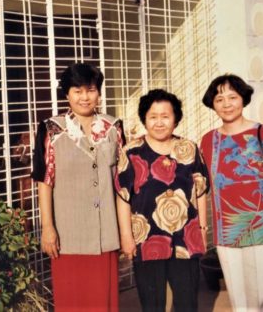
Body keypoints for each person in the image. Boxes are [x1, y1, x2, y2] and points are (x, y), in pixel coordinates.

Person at [31, 63, 124, 312]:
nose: (85, 97)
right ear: (67, 94)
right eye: (77, 91)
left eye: (91, 90)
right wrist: (47, 227)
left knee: (103, 300)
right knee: (72, 300)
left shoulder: (113, 127)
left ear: (99, 93)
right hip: (67, 233)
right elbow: (45, 181)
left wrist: (125, 230)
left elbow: (121, 182)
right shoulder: (52, 129)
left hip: (105, 231)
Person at [199, 74, 263, 312]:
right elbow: (202, 186)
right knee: (238, 300)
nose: (227, 104)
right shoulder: (208, 141)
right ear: (213, 104)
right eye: (219, 99)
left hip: (261, 226)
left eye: (232, 97)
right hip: (226, 230)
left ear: (243, 99)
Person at [115, 89, 209, 312]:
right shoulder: (131, 152)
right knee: (152, 304)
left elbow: (201, 191)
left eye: (165, 116)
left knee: (187, 303)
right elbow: (123, 196)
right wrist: (126, 236)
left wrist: (203, 229)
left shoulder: (189, 148)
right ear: (144, 119)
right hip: (147, 238)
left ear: (175, 119)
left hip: (186, 238)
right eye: (153, 117)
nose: (159, 122)